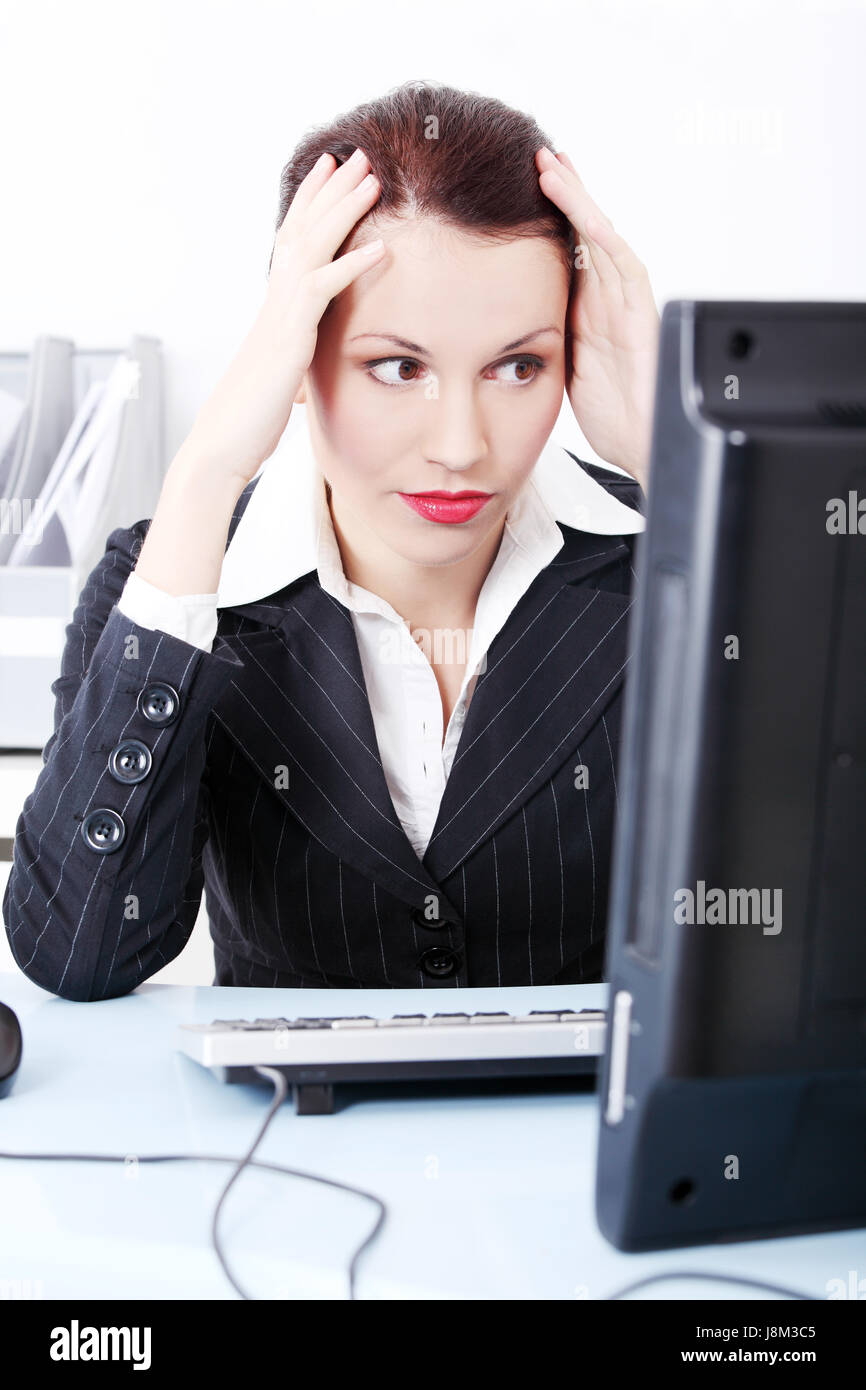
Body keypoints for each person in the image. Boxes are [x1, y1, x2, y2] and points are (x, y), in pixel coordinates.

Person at [3, 80, 660, 1001]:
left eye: (519, 365)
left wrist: (678, 458)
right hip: (282, 1141)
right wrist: (205, 474)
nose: (461, 444)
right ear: (297, 355)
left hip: (597, 1139)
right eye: (397, 366)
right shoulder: (176, 576)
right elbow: (77, 955)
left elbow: (805, 905)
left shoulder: (665, 555)